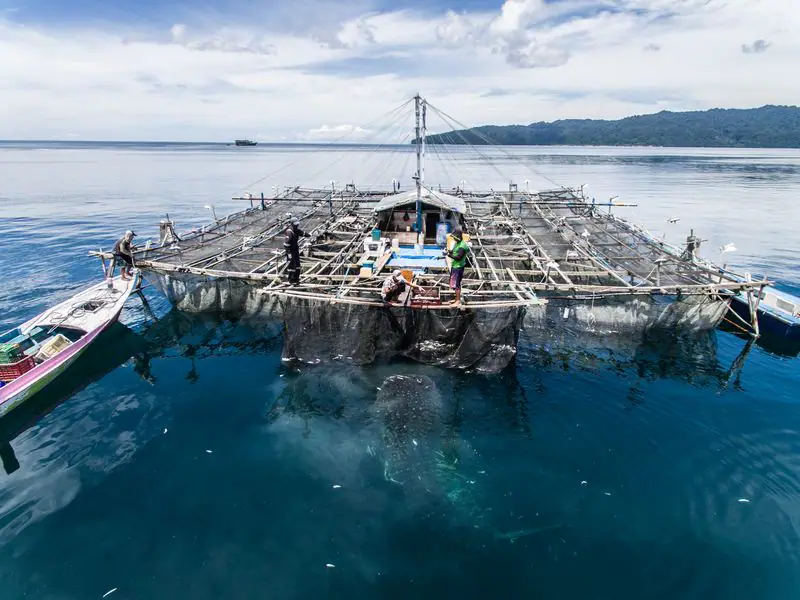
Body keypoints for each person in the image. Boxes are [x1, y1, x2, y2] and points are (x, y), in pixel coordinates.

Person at [445, 228, 470, 306]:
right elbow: (454, 252)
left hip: (458, 267)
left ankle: (458, 301)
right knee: (455, 284)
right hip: (455, 266)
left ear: (458, 237)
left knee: (457, 284)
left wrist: (449, 255)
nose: (453, 239)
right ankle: (456, 299)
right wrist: (449, 251)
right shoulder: (457, 243)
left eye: (454, 237)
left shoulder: (462, 246)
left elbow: (458, 257)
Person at [284, 217, 309, 285]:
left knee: (297, 265)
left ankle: (296, 279)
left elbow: (303, 233)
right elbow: (286, 244)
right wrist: (288, 253)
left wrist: (310, 235)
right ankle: (291, 280)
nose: (296, 225)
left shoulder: (296, 230)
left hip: (295, 250)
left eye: (297, 224)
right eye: (295, 224)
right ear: (292, 224)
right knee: (292, 265)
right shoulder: (289, 232)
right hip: (290, 251)